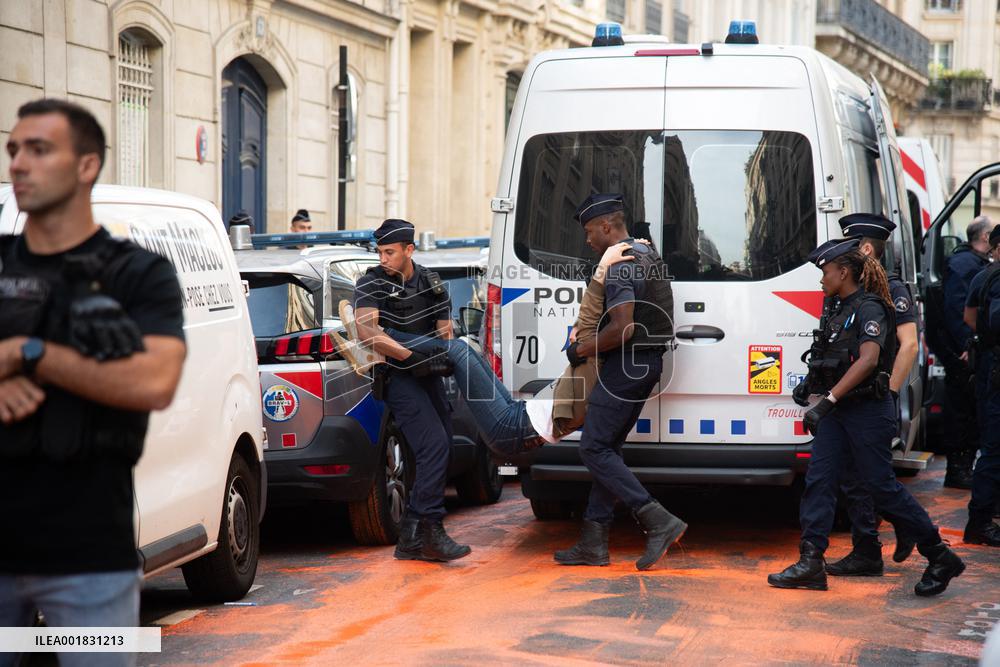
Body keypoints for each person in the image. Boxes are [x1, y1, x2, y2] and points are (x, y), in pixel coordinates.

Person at [0, 99, 186, 664]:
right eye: (13, 150)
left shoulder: (137, 273)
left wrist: (28, 354)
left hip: (88, 561)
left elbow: (154, 382)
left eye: (39, 150)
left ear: (87, 166)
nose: (18, 165)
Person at [769, 239, 964, 596]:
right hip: (837, 411)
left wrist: (828, 399)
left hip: (865, 411)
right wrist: (812, 386)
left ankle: (939, 555)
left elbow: (869, 360)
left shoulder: (871, 308)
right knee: (820, 481)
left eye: (825, 272)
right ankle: (811, 562)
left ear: (844, 272)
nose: (821, 279)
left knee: (881, 488)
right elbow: (831, 356)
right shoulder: (836, 308)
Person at [335, 241, 639, 456]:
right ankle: (374, 336)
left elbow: (589, 313)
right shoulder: (607, 374)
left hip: (512, 428)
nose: (574, 338)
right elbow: (593, 320)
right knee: (463, 349)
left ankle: (376, 335)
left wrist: (602, 269)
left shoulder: (593, 361)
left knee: (457, 350)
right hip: (517, 415)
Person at [553, 193, 685, 571]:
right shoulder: (645, 253)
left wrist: (581, 351)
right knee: (606, 448)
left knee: (594, 449)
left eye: (590, 231)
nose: (587, 240)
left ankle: (658, 520)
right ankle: (593, 543)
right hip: (645, 366)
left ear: (607, 227)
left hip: (626, 367)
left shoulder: (621, 265)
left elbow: (623, 328)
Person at [353, 218, 468, 562]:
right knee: (432, 444)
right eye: (380, 251)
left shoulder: (431, 283)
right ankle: (431, 529)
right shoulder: (370, 282)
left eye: (390, 251)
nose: (383, 258)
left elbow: (445, 330)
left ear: (409, 250)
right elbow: (366, 331)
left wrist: (440, 354)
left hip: (429, 374)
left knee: (442, 444)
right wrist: (411, 357)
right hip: (399, 376)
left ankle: (411, 536)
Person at [815, 213, 920, 575]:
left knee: (874, 479)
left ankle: (914, 531)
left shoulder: (890, 288)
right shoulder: (843, 290)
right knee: (851, 478)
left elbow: (908, 347)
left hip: (871, 397)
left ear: (863, 248)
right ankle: (867, 550)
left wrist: (886, 394)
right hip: (846, 398)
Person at [939, 216, 995, 488]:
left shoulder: (976, 264)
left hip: (972, 350)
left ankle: (964, 469)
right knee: (962, 412)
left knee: (972, 412)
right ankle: (958, 470)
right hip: (963, 353)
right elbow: (957, 310)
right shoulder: (964, 265)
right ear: (985, 238)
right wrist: (966, 344)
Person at [962, 224, 1000, 547]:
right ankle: (980, 522)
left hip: (989, 362)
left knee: (991, 443)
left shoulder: (981, 276)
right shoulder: (996, 280)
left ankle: (983, 517)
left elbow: (969, 318)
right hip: (996, 368)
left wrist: (987, 341)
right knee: (994, 448)